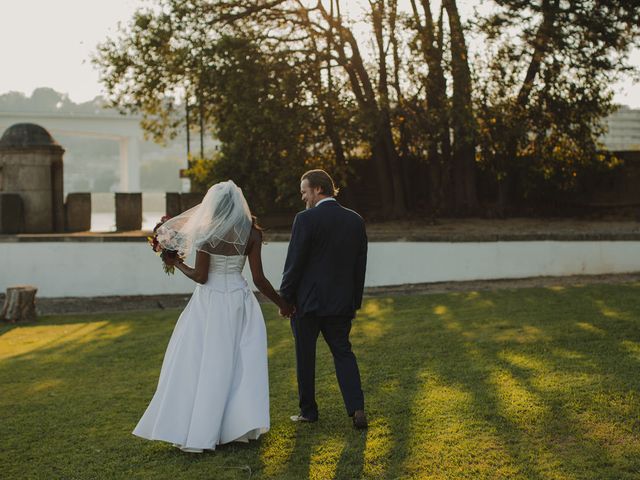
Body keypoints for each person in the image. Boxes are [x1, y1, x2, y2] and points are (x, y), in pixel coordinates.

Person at [133, 180, 293, 452]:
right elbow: (259, 279)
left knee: (204, 362)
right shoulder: (253, 233)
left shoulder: (208, 233)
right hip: (240, 301)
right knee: (239, 364)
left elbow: (201, 276)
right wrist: (282, 304)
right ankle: (238, 426)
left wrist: (177, 262)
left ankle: (203, 427)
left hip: (210, 304)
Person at [280, 169, 368, 429]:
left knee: (305, 357)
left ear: (318, 189)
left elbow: (294, 264)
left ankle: (308, 412)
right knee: (343, 353)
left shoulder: (305, 219)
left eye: (305, 191)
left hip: (308, 303)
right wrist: (355, 301)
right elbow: (359, 266)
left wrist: (285, 299)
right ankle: (356, 408)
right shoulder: (355, 220)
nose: (303, 197)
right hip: (341, 303)